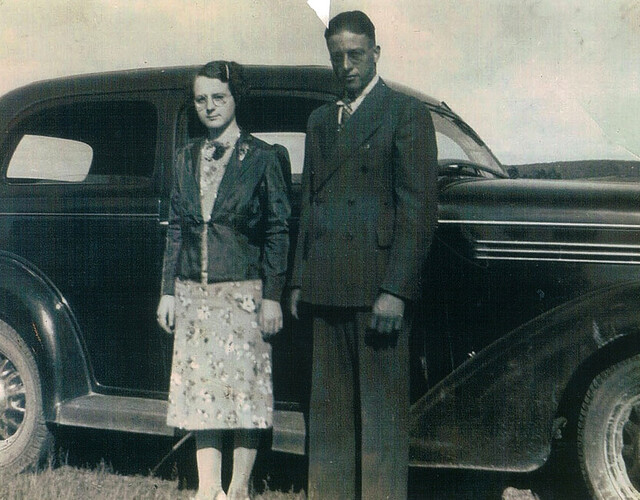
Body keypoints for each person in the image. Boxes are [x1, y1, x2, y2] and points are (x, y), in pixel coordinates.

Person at [290, 11, 438, 500]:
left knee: (380, 423)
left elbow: (418, 212)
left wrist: (395, 290)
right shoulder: (318, 121)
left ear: (377, 52)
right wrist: (296, 281)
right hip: (325, 286)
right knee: (328, 420)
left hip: (376, 291)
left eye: (356, 55)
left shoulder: (405, 113)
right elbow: (309, 206)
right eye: (338, 57)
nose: (347, 66)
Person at [157, 60, 291, 500]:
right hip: (194, 293)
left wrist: (273, 296)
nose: (210, 107)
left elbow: (277, 230)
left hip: (245, 295)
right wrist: (167, 291)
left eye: (219, 97)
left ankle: (237, 490)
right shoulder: (184, 158)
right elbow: (177, 227)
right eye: (201, 99)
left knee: (244, 396)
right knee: (202, 394)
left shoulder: (265, 157)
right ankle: (207, 488)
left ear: (236, 99)